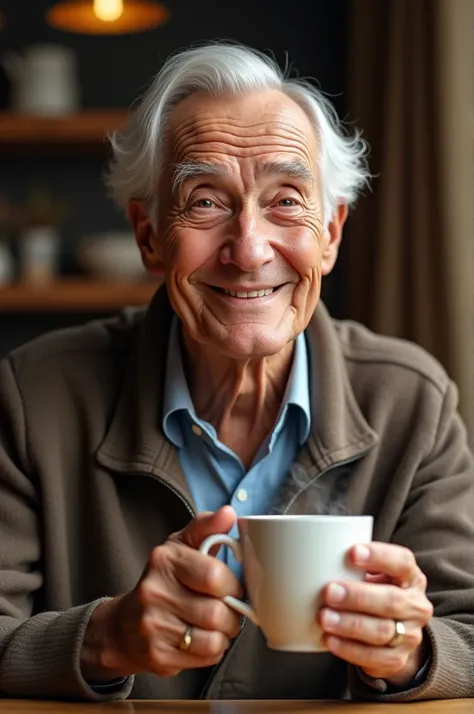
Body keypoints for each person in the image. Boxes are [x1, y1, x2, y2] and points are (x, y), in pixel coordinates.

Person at [0, 41, 473, 703]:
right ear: (148, 237)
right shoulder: (33, 394)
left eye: (286, 201)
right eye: (203, 202)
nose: (249, 250)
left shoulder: (412, 402)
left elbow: (470, 632)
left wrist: (412, 652)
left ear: (331, 233)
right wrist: (104, 638)